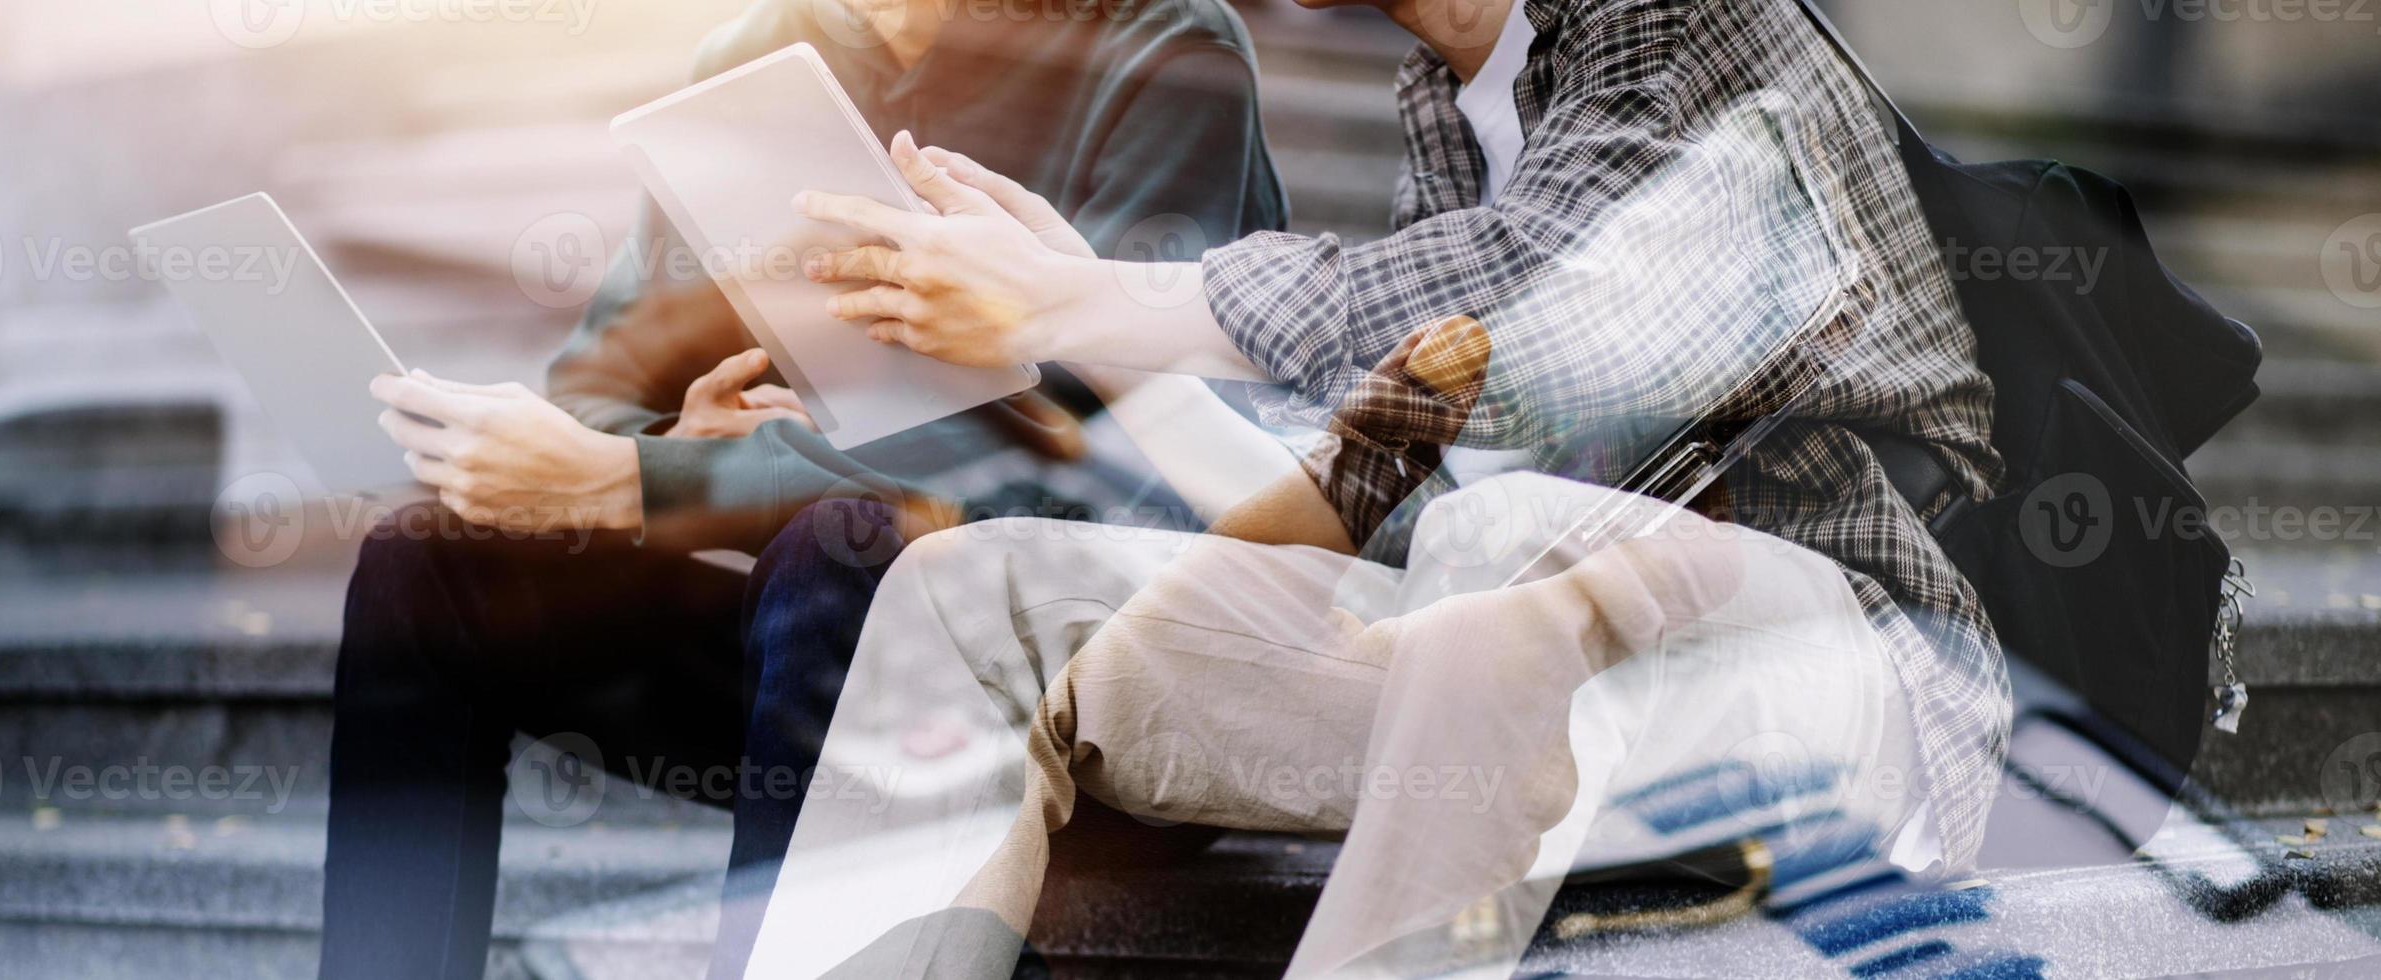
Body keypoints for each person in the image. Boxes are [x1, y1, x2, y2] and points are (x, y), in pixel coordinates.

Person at [745, 0, 2013, 973]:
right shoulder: (1447, 100)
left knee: (1519, 540)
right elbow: (1374, 502)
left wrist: (1103, 298)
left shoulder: (1685, 19)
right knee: (976, 593)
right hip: (1502, 699)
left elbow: (1541, 323)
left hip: (1841, 690)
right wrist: (1083, 324)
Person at [316, 1, 1290, 977]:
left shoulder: (1160, 43)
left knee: (847, 539)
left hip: (1090, 712)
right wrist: (675, 439)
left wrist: (661, 479)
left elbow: (1077, 455)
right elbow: (598, 389)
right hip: (826, 683)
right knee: (427, 560)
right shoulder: (752, 55)